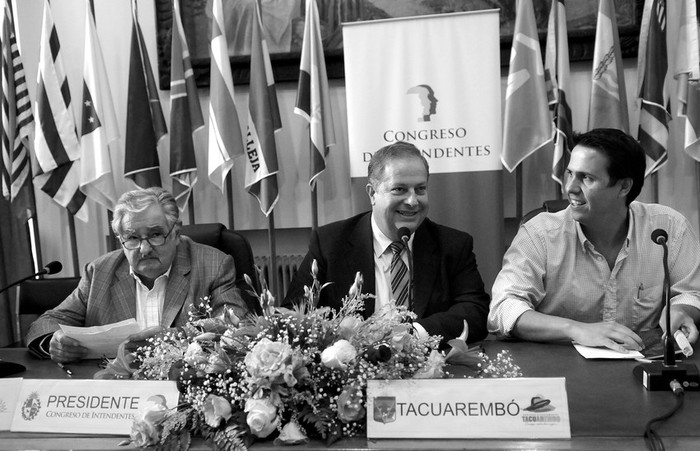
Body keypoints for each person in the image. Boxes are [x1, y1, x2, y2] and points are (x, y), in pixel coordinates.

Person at [488, 128, 700, 352]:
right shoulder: (539, 234)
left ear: (624, 186)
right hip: (561, 367)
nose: (570, 188)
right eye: (570, 173)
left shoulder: (668, 228)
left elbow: (691, 292)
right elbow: (503, 308)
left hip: (642, 363)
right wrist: (576, 329)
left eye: (586, 178)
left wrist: (681, 310)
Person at [283, 141, 490, 343]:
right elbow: (295, 316)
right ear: (372, 193)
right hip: (354, 371)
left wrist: (414, 335)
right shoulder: (330, 243)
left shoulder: (452, 245)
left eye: (420, 189)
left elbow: (475, 312)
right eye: (399, 189)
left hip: (429, 370)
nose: (412, 201)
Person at [26, 187, 249, 363]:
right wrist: (53, 342)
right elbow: (46, 322)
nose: (144, 249)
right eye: (132, 238)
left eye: (155, 234)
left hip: (183, 390)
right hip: (115, 392)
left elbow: (234, 322)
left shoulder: (213, 265)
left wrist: (176, 335)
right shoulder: (99, 272)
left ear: (176, 233)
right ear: (120, 239)